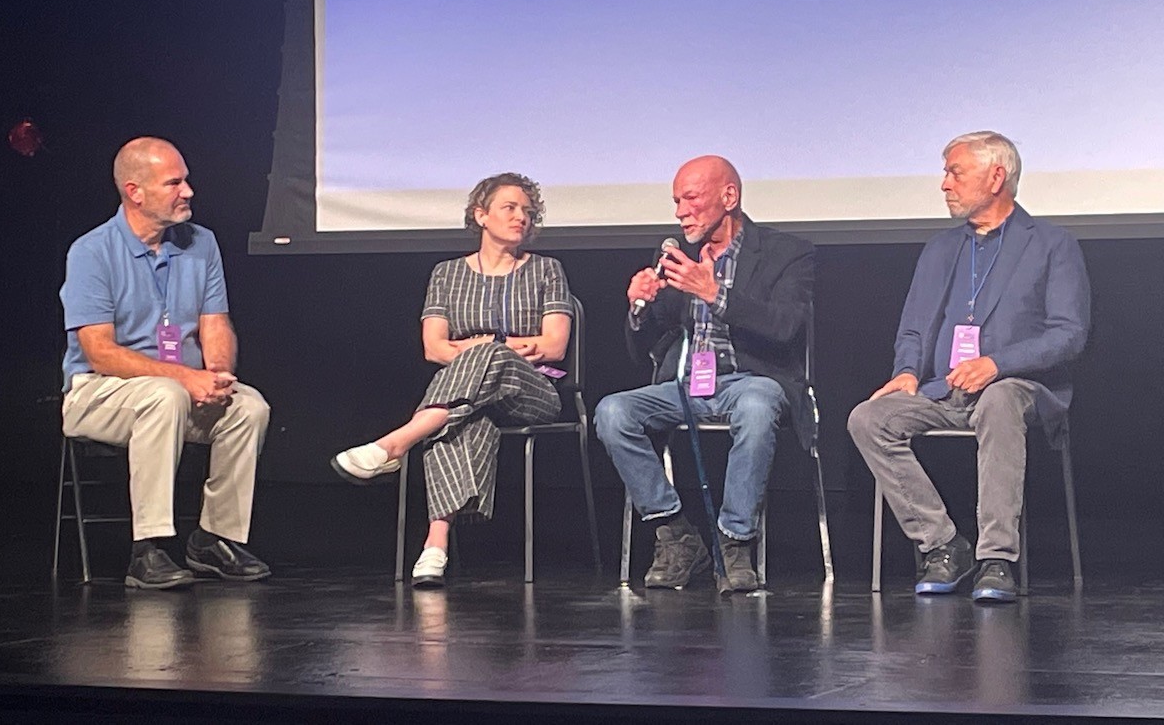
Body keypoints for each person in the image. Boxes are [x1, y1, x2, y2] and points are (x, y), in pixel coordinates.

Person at [848, 131, 1090, 602]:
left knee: (999, 399)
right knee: (868, 417)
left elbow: (1069, 333)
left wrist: (998, 364)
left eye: (955, 172)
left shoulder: (1052, 244)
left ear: (996, 176)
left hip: (1021, 389)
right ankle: (943, 545)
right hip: (945, 391)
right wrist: (907, 372)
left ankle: (996, 558)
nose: (944, 184)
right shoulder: (941, 249)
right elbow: (915, 327)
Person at [332, 173, 573, 588]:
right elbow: (433, 348)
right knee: (462, 417)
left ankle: (396, 443)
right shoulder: (446, 274)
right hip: (469, 397)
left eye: (528, 212)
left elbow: (553, 346)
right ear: (481, 215)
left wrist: (489, 346)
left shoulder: (547, 270)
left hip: (533, 391)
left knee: (489, 355)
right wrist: (499, 346)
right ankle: (435, 544)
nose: (521, 219)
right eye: (510, 208)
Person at [60, 137, 271, 590]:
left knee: (248, 405)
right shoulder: (92, 252)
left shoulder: (201, 245)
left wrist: (216, 374)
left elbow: (216, 323)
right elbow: (100, 352)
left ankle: (215, 539)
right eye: (174, 182)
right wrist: (185, 377)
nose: (188, 191)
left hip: (180, 389)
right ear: (135, 192)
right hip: (99, 392)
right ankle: (147, 549)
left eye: (186, 180)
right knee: (164, 395)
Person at [595, 156, 814, 592]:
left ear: (728, 197)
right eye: (677, 201)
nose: (680, 211)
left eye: (691, 198)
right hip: (684, 384)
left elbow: (785, 327)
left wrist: (713, 293)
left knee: (755, 405)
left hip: (750, 380)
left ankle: (734, 543)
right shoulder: (678, 258)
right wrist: (639, 308)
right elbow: (643, 354)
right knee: (613, 411)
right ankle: (675, 534)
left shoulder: (786, 254)